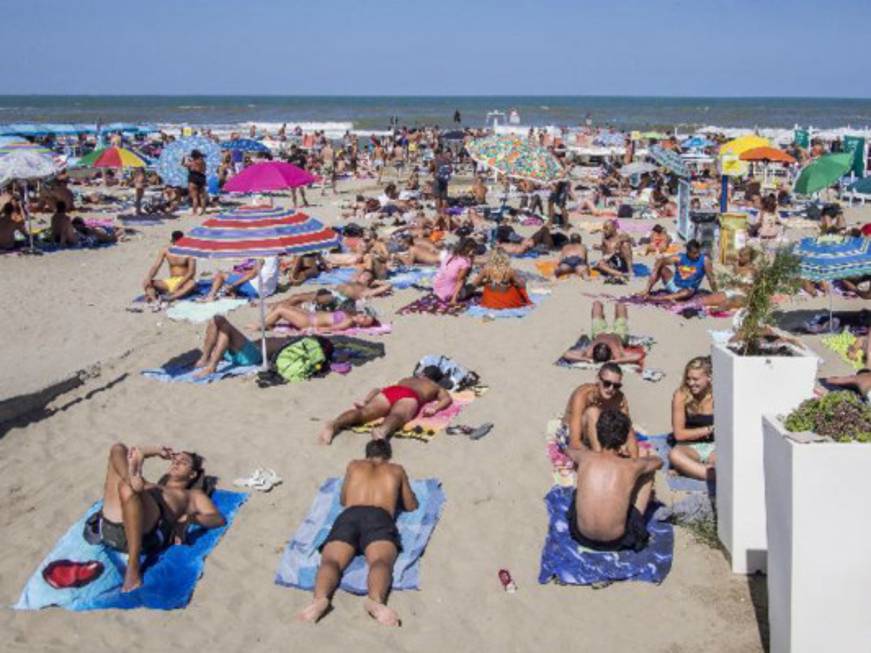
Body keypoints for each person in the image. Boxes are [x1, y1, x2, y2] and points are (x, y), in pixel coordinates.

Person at [297, 440, 417, 626]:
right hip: (379, 516)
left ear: (366, 454)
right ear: (389, 455)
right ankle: (375, 601)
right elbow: (411, 506)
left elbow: (344, 500)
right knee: (380, 561)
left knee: (331, 561)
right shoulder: (396, 469)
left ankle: (320, 599)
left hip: (349, 516)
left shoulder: (354, 465)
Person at [97, 443, 224, 591]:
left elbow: (218, 519)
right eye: (175, 460)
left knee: (128, 488)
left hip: (144, 531)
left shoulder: (193, 495)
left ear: (192, 474)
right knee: (118, 448)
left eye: (183, 462)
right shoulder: (151, 485)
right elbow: (135, 452)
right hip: (110, 526)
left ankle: (133, 566)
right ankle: (128, 478)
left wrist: (191, 519)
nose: (176, 463)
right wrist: (158, 451)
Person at [564, 410, 661, 551]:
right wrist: (639, 459)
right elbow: (658, 462)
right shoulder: (632, 466)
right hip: (615, 541)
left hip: (580, 534)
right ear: (623, 439)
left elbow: (569, 451)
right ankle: (635, 520)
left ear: (598, 433)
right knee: (647, 472)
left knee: (581, 472)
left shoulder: (585, 457)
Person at [318, 367, 452, 444]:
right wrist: (435, 408)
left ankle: (334, 424)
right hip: (410, 396)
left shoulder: (407, 379)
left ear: (422, 374)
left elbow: (380, 389)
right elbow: (447, 399)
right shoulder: (435, 386)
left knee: (363, 413)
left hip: (391, 390)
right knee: (398, 415)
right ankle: (381, 431)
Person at [563, 363, 638, 456]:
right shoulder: (582, 395)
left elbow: (628, 430)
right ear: (597, 379)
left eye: (616, 386)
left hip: (602, 437)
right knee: (593, 412)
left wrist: (634, 460)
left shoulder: (619, 398)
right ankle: (600, 457)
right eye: (607, 383)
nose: (611, 389)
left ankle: (604, 455)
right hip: (576, 435)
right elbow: (574, 442)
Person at [194, 315, 293, 377]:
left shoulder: (284, 341)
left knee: (220, 322)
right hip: (238, 353)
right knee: (217, 322)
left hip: (251, 356)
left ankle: (208, 362)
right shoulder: (281, 340)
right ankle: (207, 360)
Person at [668, 356, 716, 481]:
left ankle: (695, 470)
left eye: (695, 379)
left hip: (714, 445)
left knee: (725, 458)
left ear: (709, 378)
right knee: (674, 455)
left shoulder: (718, 395)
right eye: (688, 378)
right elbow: (679, 435)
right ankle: (711, 475)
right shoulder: (681, 395)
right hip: (689, 446)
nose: (691, 383)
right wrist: (709, 429)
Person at [561, 301, 643, 365]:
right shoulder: (617, 354)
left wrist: (586, 359)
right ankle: (606, 309)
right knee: (619, 306)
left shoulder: (589, 353)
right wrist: (617, 361)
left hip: (602, 333)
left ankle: (603, 308)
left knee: (598, 305)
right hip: (617, 334)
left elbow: (566, 354)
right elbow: (639, 356)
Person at [640, 239, 717, 302]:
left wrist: (715, 293)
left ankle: (656, 298)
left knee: (688, 291)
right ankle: (647, 291)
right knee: (662, 268)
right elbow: (661, 260)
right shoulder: (679, 258)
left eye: (698, 252)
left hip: (686, 290)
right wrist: (654, 272)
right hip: (673, 284)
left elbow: (711, 278)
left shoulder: (704, 260)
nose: (697, 255)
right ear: (688, 252)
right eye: (694, 253)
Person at [142, 231, 197, 303]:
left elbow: (191, 272)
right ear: (173, 240)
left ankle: (170, 298)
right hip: (171, 281)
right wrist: (149, 277)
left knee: (192, 283)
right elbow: (156, 266)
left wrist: (178, 285)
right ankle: (154, 300)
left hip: (185, 281)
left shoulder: (190, 251)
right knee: (146, 282)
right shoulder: (165, 250)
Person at [205, 256, 279, 301]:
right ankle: (233, 294)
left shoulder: (262, 257)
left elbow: (252, 275)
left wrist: (233, 285)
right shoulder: (275, 256)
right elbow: (258, 272)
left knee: (220, 275)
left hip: (256, 290)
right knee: (236, 276)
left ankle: (211, 296)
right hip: (269, 290)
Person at [259, 304, 378, 332]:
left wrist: (312, 329)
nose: (363, 316)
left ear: (361, 325)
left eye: (365, 320)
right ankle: (267, 324)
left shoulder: (349, 321)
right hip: (309, 314)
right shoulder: (350, 315)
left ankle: (260, 326)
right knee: (281, 306)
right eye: (365, 315)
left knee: (281, 310)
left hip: (308, 321)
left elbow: (332, 328)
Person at [432, 238, 477, 304]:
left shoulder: (450, 256)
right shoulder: (465, 263)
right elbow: (460, 281)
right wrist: (454, 299)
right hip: (447, 294)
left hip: (437, 289)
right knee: (474, 284)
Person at [183, 149, 207, 215]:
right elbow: (204, 170)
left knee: (194, 197)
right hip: (201, 177)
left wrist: (185, 157)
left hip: (193, 178)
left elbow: (184, 164)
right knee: (202, 196)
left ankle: (194, 211)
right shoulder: (202, 162)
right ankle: (203, 211)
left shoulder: (192, 162)